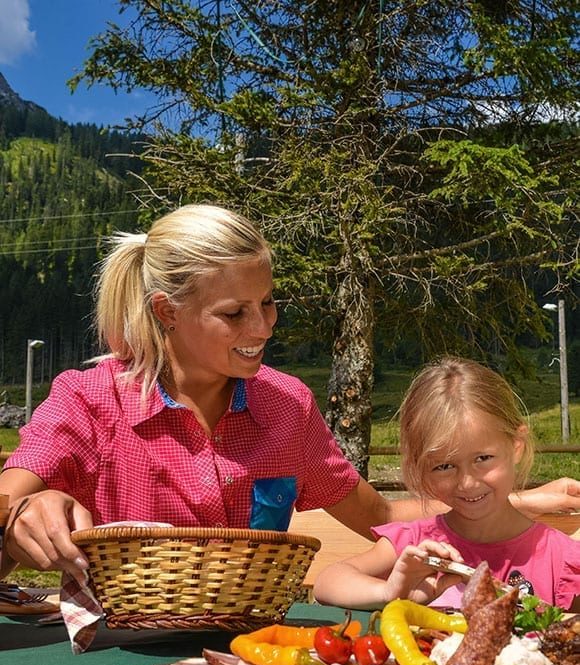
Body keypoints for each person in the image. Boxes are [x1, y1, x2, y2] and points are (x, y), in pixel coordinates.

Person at [1, 206, 579, 585]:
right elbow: (6, 499)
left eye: (268, 303)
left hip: (257, 647)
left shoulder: (287, 404)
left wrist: (518, 504)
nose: (263, 328)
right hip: (117, 654)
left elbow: (378, 515)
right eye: (234, 313)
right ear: (166, 312)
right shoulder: (89, 398)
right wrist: (27, 511)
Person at [313, 357, 580, 613]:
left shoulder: (561, 557)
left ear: (516, 446)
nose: (467, 482)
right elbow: (328, 582)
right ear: (420, 467)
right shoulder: (417, 546)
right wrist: (389, 592)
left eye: (483, 459)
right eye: (444, 466)